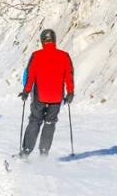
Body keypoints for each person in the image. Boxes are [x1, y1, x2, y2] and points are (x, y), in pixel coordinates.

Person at [18, 28, 75, 158]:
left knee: (35, 121)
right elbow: (69, 76)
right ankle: (44, 152)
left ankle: (26, 151)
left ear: (42, 41)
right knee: (50, 123)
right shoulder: (64, 56)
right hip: (56, 97)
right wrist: (70, 93)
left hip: (40, 96)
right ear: (54, 40)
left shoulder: (36, 55)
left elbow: (31, 76)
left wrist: (26, 91)